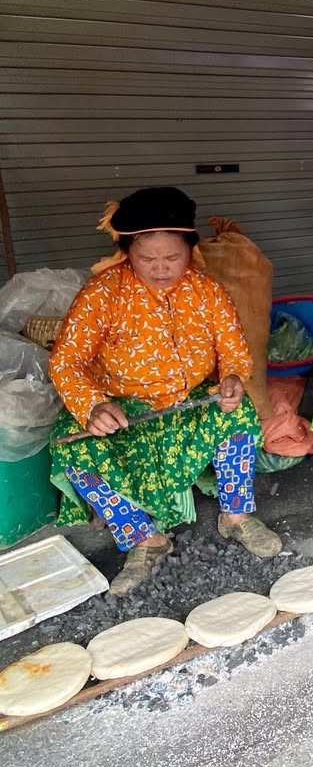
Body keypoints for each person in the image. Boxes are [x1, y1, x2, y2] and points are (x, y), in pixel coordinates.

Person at [49, 187, 280, 596]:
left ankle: (236, 516)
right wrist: (93, 405)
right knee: (71, 447)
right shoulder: (102, 294)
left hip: (190, 405)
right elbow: (66, 361)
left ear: (190, 250)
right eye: (147, 259)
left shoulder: (207, 292)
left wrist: (232, 379)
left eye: (172, 258)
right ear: (127, 253)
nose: (160, 269)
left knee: (240, 414)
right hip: (127, 415)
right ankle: (145, 538)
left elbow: (234, 351)